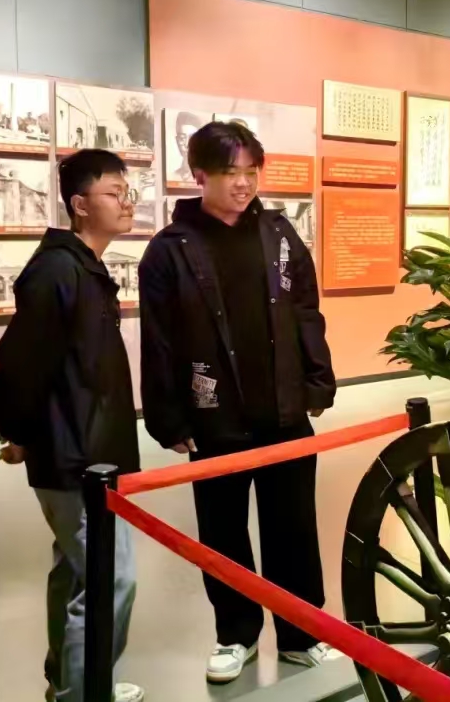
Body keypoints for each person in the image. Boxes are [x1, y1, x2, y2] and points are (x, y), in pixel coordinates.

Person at [138, 121, 339, 684]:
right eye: (230, 172)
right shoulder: (170, 251)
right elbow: (158, 341)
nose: (243, 183)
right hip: (214, 416)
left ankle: (301, 634)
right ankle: (236, 634)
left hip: (282, 409)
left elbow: (306, 311)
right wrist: (167, 417)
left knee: (293, 528)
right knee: (223, 531)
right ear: (199, 174)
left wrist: (317, 380)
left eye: (252, 171)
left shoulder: (280, 235)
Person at [0, 150, 144, 702]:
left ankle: (69, 683)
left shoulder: (83, 267)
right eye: (113, 193)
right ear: (80, 205)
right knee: (109, 577)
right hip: (76, 455)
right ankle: (84, 691)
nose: (127, 202)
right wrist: (19, 433)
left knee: (77, 572)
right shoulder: (58, 271)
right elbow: (20, 362)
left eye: (127, 191)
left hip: (90, 447)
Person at [170, 111, 205, 185]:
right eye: (182, 138)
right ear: (177, 140)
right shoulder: (173, 176)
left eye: (191, 138)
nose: (186, 144)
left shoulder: (208, 177)